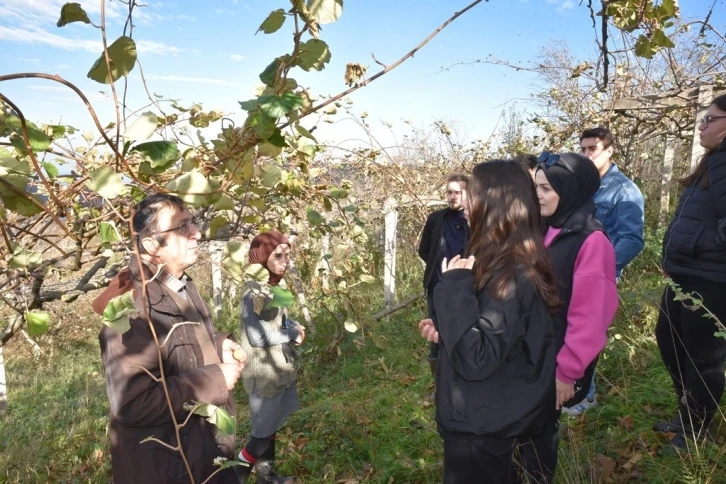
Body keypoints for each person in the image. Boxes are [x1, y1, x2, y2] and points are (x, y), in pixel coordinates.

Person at [419, 161, 560, 483]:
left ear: (498, 203)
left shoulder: (508, 272)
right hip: (489, 415)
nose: (465, 202)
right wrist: (448, 332)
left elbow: (476, 359)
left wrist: (453, 287)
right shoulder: (508, 259)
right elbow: (503, 341)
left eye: (474, 193)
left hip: (481, 422)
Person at [93, 194, 247, 484]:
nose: (197, 233)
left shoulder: (179, 284)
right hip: (169, 467)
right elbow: (133, 405)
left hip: (200, 454)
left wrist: (217, 345)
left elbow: (175, 348)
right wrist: (215, 379)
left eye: (193, 223)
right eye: (182, 227)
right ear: (152, 246)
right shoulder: (130, 310)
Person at [530, 153, 618, 481]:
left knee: (539, 435)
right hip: (530, 353)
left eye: (546, 188)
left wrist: (567, 371)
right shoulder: (543, 229)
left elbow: (591, 316)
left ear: (570, 190)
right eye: (535, 186)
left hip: (555, 362)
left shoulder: (592, 241)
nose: (537, 194)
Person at [654, 93, 726, 452]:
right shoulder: (713, 163)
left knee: (703, 358)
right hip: (683, 274)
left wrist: (694, 245)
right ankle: (687, 415)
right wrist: (675, 253)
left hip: (712, 281)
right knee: (669, 342)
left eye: (710, 119)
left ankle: (696, 431)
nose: (702, 125)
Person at [565, 127, 644, 416]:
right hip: (568, 274)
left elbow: (632, 240)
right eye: (583, 149)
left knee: (588, 332)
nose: (586, 154)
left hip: (596, 278)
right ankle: (569, 390)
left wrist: (601, 270)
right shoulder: (581, 184)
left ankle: (585, 399)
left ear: (609, 150)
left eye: (592, 149)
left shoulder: (624, 190)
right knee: (568, 331)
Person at [236, 231, 303, 483]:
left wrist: (292, 324)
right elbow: (258, 338)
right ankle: (234, 476)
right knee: (260, 434)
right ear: (262, 257)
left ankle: (267, 477)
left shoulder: (275, 285)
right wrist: (291, 333)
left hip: (278, 368)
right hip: (263, 374)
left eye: (287, 255)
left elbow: (279, 321)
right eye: (277, 256)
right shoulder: (253, 293)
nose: (284, 261)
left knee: (270, 426)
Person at [417, 174, 470, 396]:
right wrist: (436, 268)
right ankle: (440, 386)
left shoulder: (473, 220)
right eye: (449, 192)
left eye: (458, 192)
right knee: (436, 336)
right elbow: (424, 250)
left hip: (465, 289)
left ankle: (462, 383)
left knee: (462, 333)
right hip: (437, 287)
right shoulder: (437, 219)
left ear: (467, 194)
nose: (452, 196)